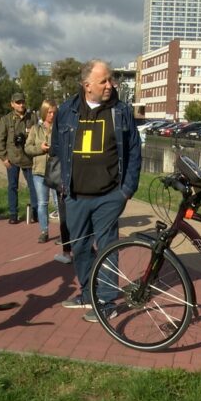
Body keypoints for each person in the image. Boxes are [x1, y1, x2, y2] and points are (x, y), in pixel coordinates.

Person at [52, 59, 142, 322]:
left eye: (110, 79)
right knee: (79, 247)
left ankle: (106, 300)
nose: (109, 85)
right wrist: (62, 188)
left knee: (107, 247)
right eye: (103, 81)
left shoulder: (121, 111)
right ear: (86, 84)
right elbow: (57, 149)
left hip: (109, 195)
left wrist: (126, 190)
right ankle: (88, 291)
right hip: (76, 195)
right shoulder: (67, 111)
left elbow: (135, 151)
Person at [0, 92, 38, 224]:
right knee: (12, 186)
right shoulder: (6, 120)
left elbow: (38, 136)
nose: (21, 105)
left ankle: (35, 213)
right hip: (12, 158)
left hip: (28, 159)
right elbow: (0, 140)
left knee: (33, 187)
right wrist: (4, 158)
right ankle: (13, 214)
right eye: (18, 102)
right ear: (12, 104)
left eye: (22, 102)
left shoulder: (33, 118)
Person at [24, 99, 57, 243]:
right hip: (39, 171)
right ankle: (44, 231)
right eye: (49, 112)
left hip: (56, 171)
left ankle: (65, 232)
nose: (52, 115)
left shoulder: (60, 128)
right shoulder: (35, 129)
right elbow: (27, 148)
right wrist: (40, 149)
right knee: (43, 203)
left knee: (59, 204)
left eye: (54, 112)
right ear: (44, 112)